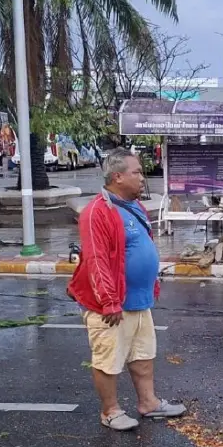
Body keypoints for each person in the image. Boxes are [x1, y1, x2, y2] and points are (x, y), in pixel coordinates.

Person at [68, 148, 186, 431]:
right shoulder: (97, 212)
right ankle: (110, 411)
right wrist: (109, 301)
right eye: (137, 172)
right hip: (111, 305)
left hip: (138, 301)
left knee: (143, 355)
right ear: (118, 177)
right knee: (108, 360)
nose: (143, 178)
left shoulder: (134, 206)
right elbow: (96, 260)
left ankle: (149, 403)